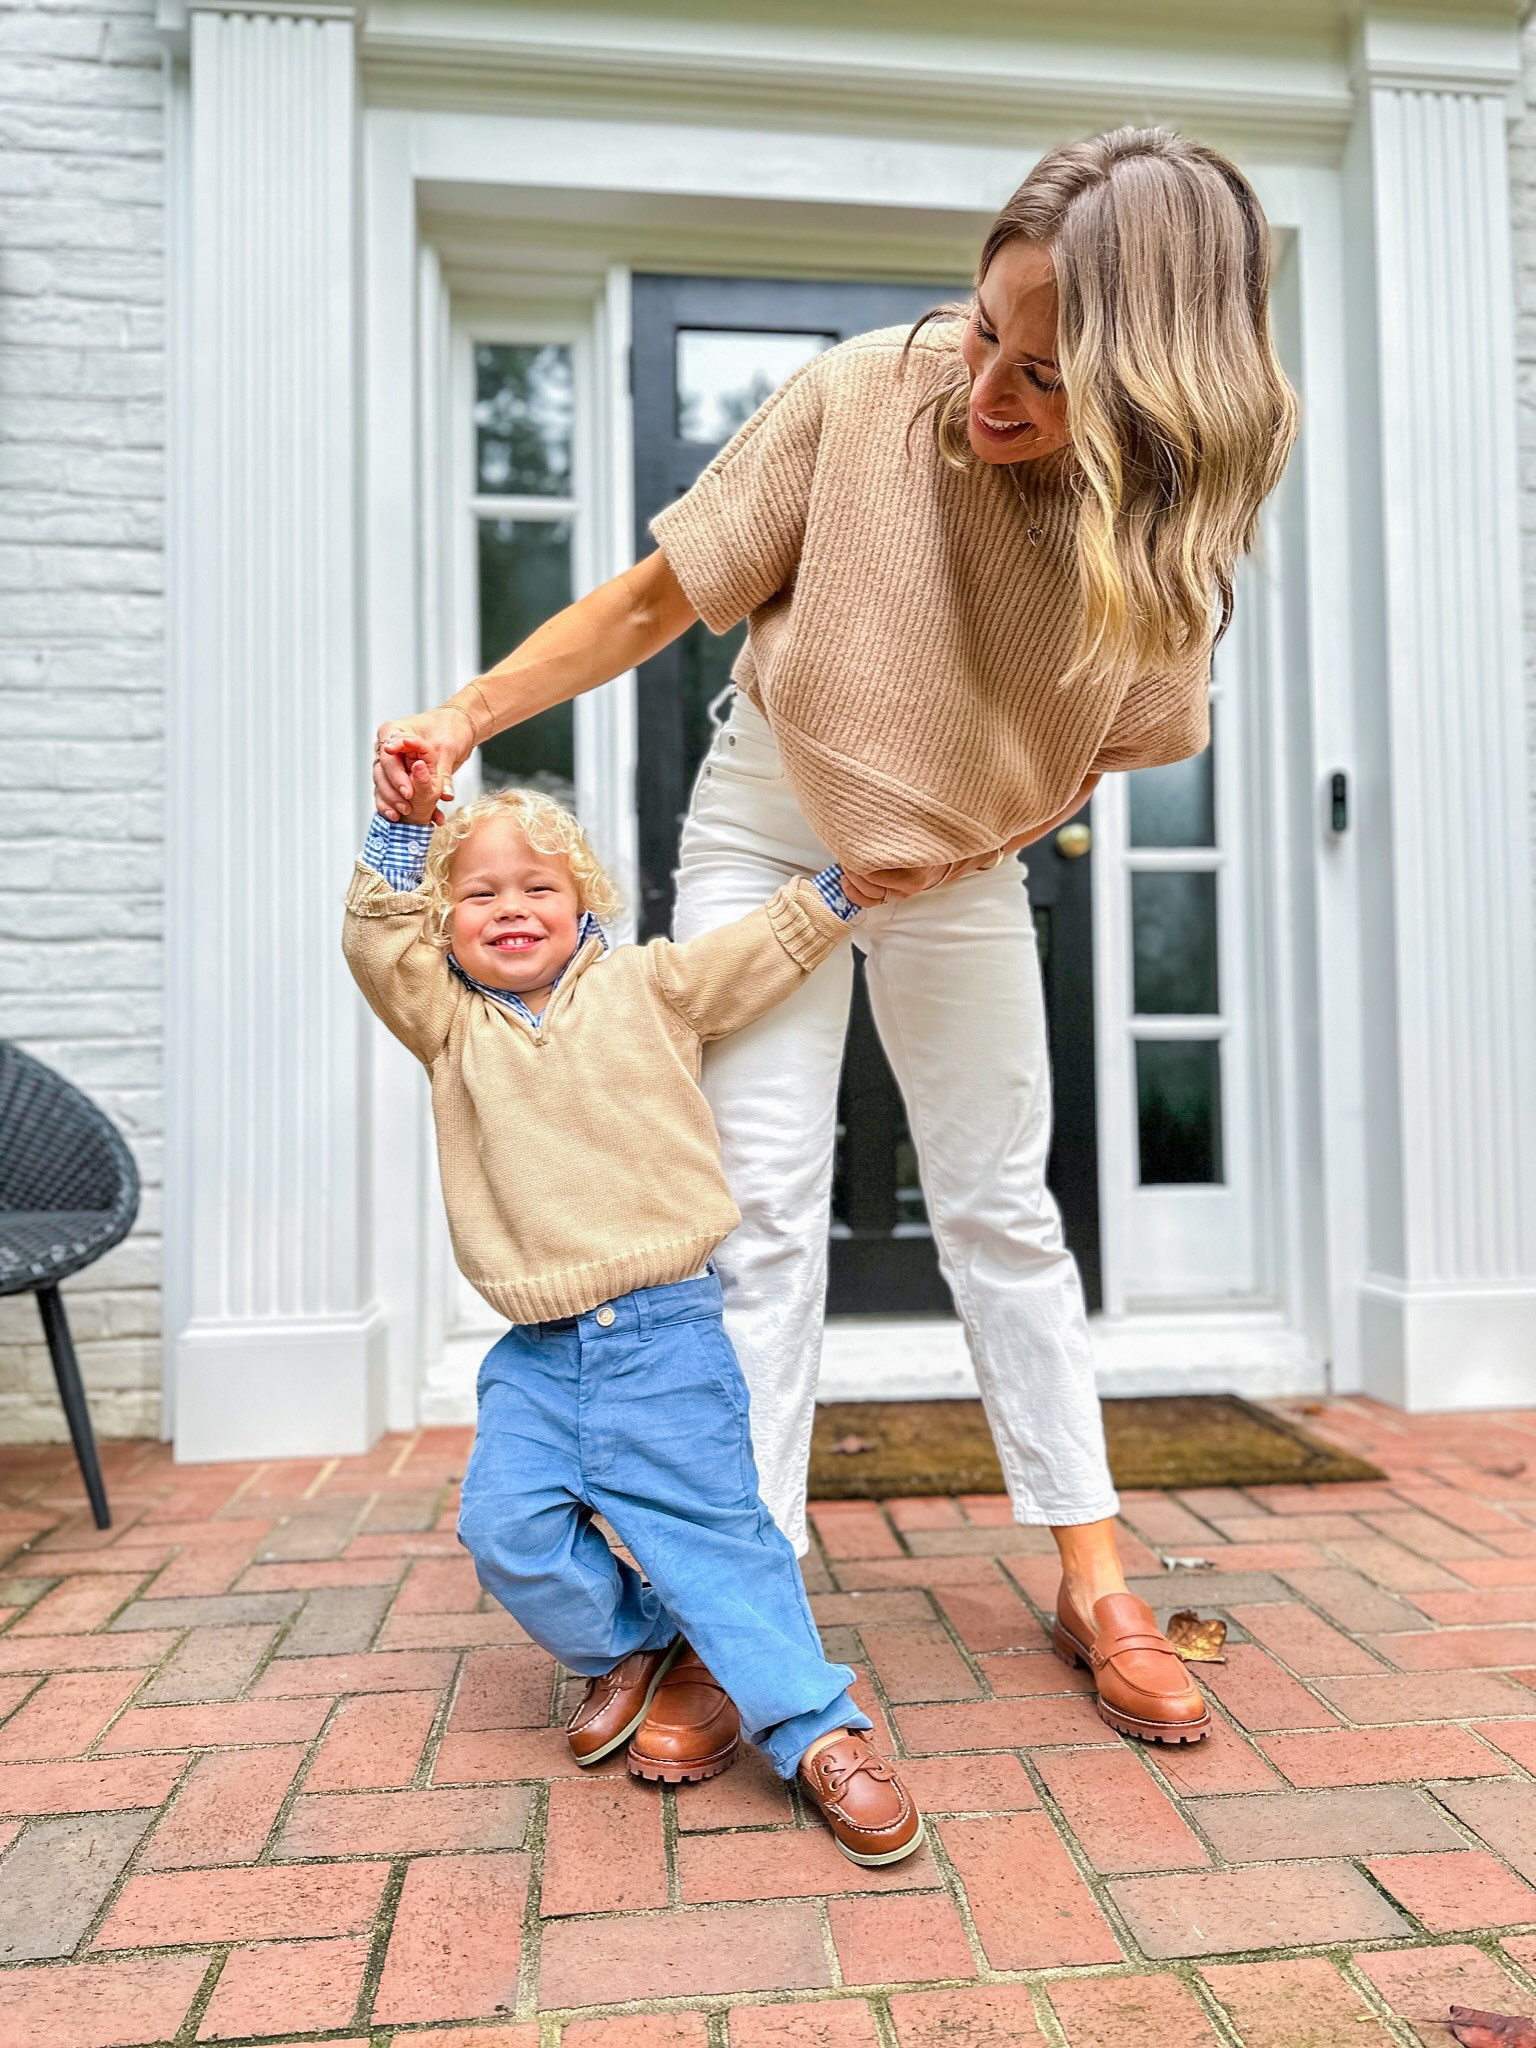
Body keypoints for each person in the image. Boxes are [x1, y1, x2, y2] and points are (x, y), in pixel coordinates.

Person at [372, 127, 1299, 1746]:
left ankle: (1091, 1570)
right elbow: (662, 597)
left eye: (1050, 377)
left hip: (956, 862)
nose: (989, 390)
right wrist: (469, 709)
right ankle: (744, 1604)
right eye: (986, 332)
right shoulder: (871, 392)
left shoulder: (1164, 534)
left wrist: (946, 849)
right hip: (765, 821)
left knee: (1003, 1198)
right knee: (759, 1215)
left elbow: (1101, 749)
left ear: (1158, 403)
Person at [342, 775, 924, 1861]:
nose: (510, 906)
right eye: (477, 894)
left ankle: (818, 1730)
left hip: (663, 1334)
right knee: (503, 1529)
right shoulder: (449, 1024)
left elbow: (754, 952)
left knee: (718, 1540)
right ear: (446, 924)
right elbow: (376, 942)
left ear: (583, 899)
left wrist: (842, 888)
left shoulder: (647, 987)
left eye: (536, 885)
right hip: (535, 1354)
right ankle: (639, 1638)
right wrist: (405, 829)